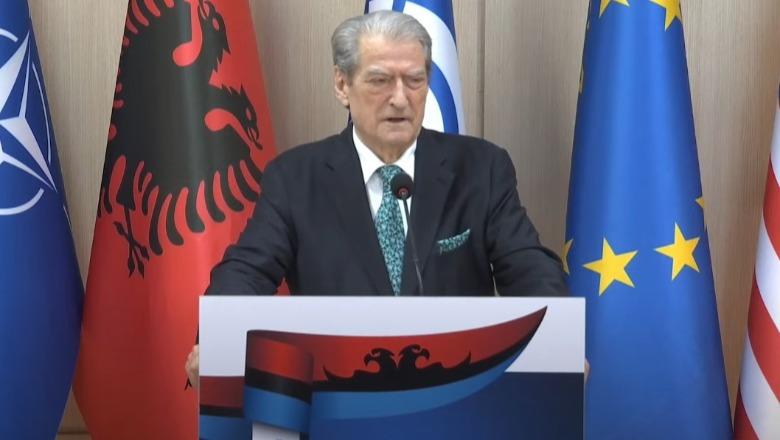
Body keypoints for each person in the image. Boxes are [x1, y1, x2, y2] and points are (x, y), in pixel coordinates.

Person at [185, 10, 568, 386]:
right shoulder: (295, 178)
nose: (400, 98)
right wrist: (219, 341)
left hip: (457, 390)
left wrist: (558, 343)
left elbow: (528, 267)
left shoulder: (481, 169)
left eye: (414, 80)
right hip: (336, 392)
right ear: (342, 85)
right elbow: (246, 272)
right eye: (380, 80)